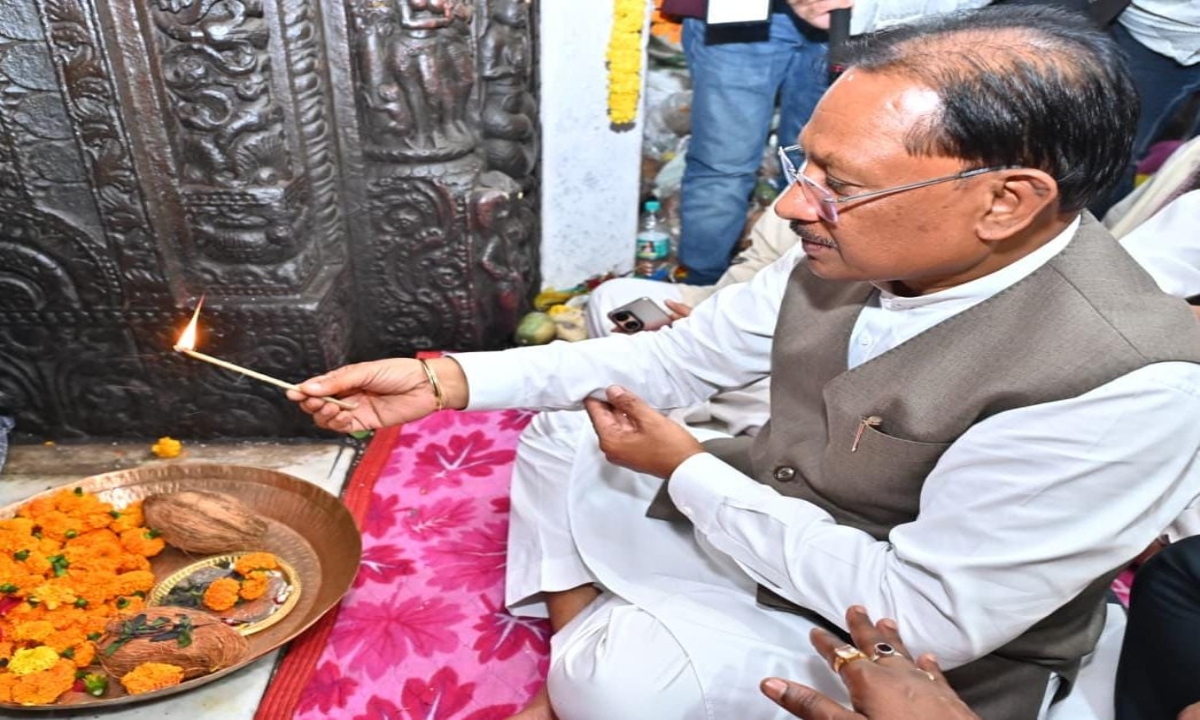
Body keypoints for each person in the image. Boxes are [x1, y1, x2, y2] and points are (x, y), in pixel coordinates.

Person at [290, 6, 1200, 719]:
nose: (796, 204)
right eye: (802, 162)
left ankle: (600, 669)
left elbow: (917, 620)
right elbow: (684, 359)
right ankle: (589, 653)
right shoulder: (859, 248)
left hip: (902, 643)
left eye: (839, 183)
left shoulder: (1132, 381)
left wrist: (688, 475)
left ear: (1005, 202)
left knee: (622, 685)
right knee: (569, 433)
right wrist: (449, 382)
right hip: (781, 512)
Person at [585, 200, 799, 437]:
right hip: (742, 310)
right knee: (611, 296)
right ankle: (669, 411)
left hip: (789, 350)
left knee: (772, 402)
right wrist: (710, 316)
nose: (794, 201)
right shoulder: (806, 187)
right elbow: (760, 263)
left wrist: (721, 333)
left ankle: (683, 429)